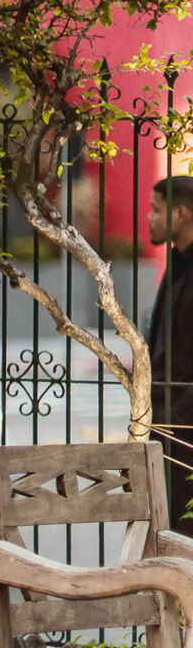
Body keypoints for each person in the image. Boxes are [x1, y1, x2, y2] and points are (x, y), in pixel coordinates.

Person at [146, 175, 193, 523]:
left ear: (180, 214)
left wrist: (177, 411)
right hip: (165, 424)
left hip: (184, 425)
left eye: (155, 209)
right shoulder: (176, 263)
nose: (149, 217)